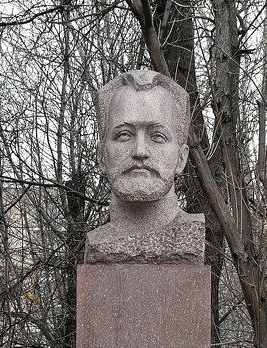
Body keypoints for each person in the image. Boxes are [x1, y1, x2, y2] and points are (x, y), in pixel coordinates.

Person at [84, 69, 204, 265]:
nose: (140, 151)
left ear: (181, 158)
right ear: (102, 156)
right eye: (124, 135)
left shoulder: (190, 234)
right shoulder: (98, 242)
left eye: (157, 136)